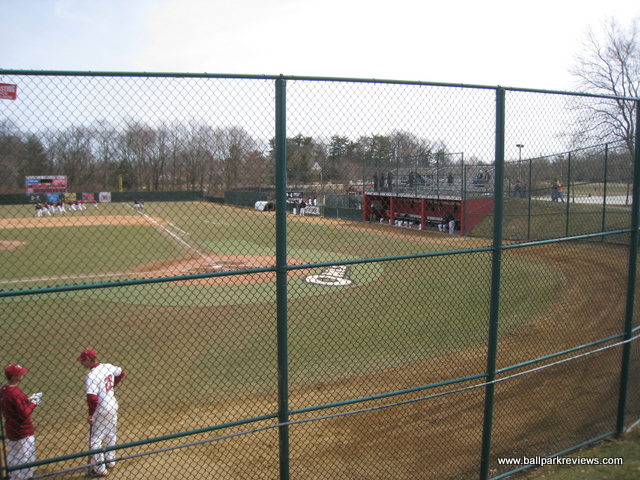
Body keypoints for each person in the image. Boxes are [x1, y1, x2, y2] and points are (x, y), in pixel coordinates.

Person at [77, 349, 125, 477]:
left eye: (83, 360)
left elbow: (92, 398)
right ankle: (110, 460)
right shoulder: (107, 366)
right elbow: (121, 373)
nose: (81, 363)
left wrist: (91, 414)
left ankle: (100, 469)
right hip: (112, 404)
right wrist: (110, 387)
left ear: (89, 360)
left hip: (101, 409)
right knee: (110, 433)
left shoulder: (91, 376)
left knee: (94, 440)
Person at [0, 364, 41, 480]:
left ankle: (13, 476)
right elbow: (24, 414)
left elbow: (13, 405)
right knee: (27, 455)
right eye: (20, 373)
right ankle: (24, 477)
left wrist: (27, 400)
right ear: (13, 377)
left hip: (10, 428)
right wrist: (34, 403)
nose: (22, 374)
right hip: (23, 430)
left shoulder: (3, 390)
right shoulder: (15, 392)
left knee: (13, 454)